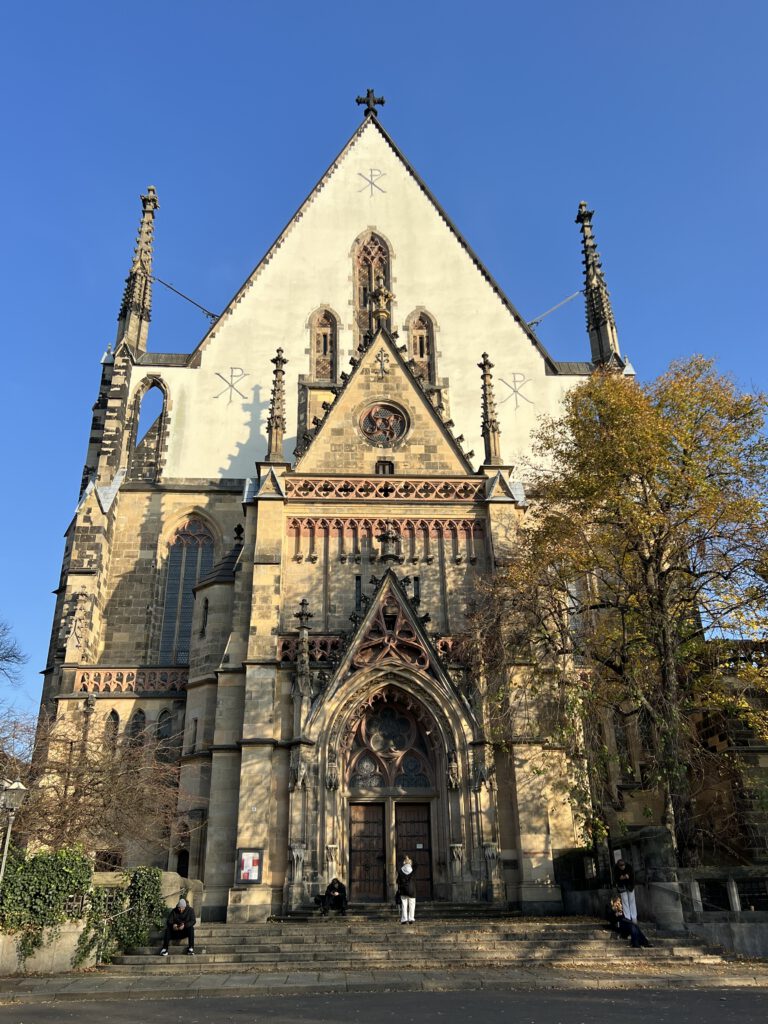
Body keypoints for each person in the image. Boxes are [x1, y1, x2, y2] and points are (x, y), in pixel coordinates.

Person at [396, 855, 416, 924]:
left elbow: (397, 881)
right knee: (412, 904)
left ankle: (404, 919)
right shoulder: (413, 870)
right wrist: (410, 860)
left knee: (404, 905)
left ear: (404, 863)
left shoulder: (400, 871)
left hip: (403, 890)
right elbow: (417, 864)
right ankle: (411, 918)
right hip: (411, 890)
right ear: (410, 863)